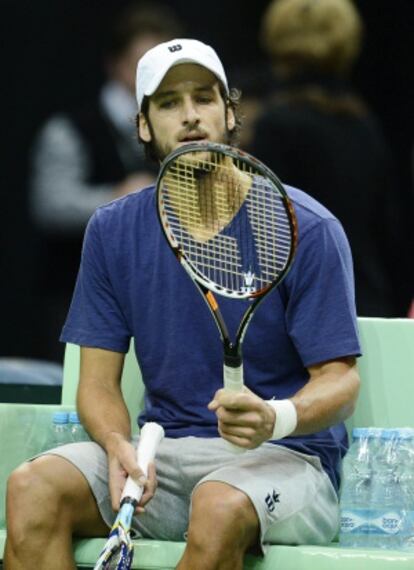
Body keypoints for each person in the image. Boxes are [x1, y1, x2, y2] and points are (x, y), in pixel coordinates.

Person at [5, 38, 361, 570]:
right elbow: (98, 382)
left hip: (288, 460)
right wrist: (115, 445)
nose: (190, 116)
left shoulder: (305, 227)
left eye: (204, 98)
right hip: (162, 456)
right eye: (169, 103)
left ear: (230, 112)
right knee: (32, 486)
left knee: (216, 507)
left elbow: (340, 379)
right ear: (143, 125)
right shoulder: (112, 230)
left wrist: (276, 417)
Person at [29, 2, 184, 361]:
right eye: (140, 66)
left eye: (161, 69)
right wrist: (117, 198)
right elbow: (50, 204)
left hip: (156, 305)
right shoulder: (70, 129)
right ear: (114, 65)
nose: (152, 80)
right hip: (74, 301)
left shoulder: (184, 135)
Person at [249, 0, 405, 317]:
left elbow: (262, 238)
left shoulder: (274, 126)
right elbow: (392, 233)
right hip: (371, 306)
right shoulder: (365, 125)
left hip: (307, 313)